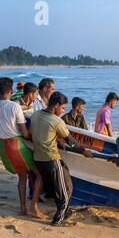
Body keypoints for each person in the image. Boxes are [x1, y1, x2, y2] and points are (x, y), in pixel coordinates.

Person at [31, 91, 93, 226]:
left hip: (38, 158)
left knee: (68, 185)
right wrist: (83, 151)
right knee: (63, 193)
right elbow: (70, 140)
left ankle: (64, 212)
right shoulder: (56, 120)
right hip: (51, 159)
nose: (63, 110)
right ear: (56, 105)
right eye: (63, 108)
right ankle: (57, 220)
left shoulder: (35, 115)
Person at [0, 77, 45, 219]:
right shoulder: (15, 107)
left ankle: (23, 208)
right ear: (11, 91)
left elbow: (3, 107)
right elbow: (25, 134)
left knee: (22, 177)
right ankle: (34, 207)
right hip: (16, 146)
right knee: (40, 174)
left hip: (2, 147)